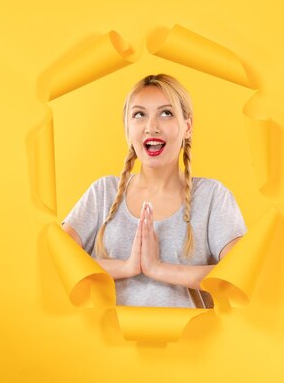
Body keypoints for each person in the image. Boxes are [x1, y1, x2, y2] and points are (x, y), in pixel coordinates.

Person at [61, 74, 247, 308]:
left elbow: (240, 275)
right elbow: (59, 262)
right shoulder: (102, 193)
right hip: (106, 343)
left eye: (166, 113)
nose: (151, 127)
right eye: (139, 114)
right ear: (128, 128)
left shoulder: (212, 197)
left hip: (192, 343)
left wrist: (157, 268)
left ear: (187, 126)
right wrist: (128, 267)